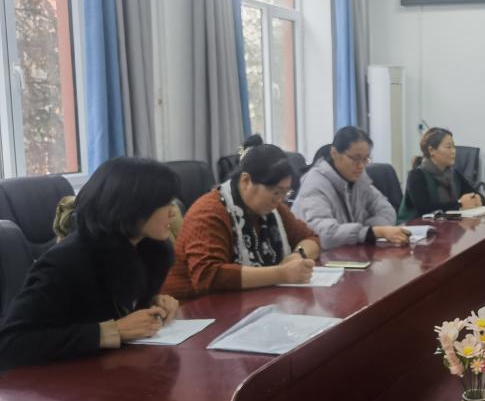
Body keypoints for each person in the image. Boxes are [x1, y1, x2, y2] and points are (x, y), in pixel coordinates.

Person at [0, 157, 181, 370]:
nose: (173, 212)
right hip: (65, 383)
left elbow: (113, 307)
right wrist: (111, 331)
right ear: (132, 207)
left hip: (114, 371)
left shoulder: (147, 250)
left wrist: (151, 304)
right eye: (165, 203)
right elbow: (10, 344)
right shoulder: (66, 262)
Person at [163, 140, 320, 299]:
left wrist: (297, 255)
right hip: (193, 306)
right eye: (276, 192)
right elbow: (208, 276)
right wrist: (281, 274)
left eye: (286, 193)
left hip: (247, 301)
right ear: (246, 181)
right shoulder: (209, 212)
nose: (280, 200)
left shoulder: (274, 209)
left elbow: (311, 238)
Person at [292, 126, 409, 248]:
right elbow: (324, 233)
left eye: (365, 159)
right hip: (316, 255)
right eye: (355, 158)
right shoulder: (315, 183)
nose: (361, 166)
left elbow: (387, 211)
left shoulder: (360, 179)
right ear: (334, 153)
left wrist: (366, 231)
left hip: (348, 251)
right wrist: (371, 232)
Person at [398, 127, 484, 221]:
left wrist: (477, 198)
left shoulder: (454, 174)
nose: (453, 151)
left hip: (444, 225)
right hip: (414, 227)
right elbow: (425, 209)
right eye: (448, 147)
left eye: (454, 147)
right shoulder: (416, 175)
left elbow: (475, 194)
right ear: (432, 150)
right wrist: (460, 204)